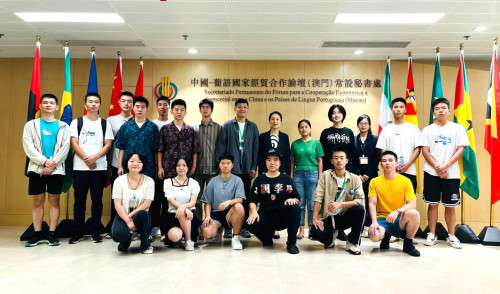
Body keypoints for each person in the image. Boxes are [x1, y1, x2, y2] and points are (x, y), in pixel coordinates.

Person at [22, 93, 71, 247]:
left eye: (51, 103)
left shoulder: (64, 126)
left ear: (57, 107)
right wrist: (44, 162)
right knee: (38, 201)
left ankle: (51, 233)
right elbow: (28, 146)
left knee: (53, 200)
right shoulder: (31, 125)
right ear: (40, 106)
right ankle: (37, 234)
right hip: (37, 169)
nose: (48, 105)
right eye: (45, 102)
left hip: (56, 170)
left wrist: (51, 165)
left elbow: (65, 148)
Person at [421, 98, 469, 249]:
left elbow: (461, 149)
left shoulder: (458, 128)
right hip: (431, 172)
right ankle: (432, 234)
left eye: (444, 108)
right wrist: (437, 167)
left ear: (449, 111)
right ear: (433, 112)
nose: (440, 110)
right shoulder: (428, 130)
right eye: (437, 108)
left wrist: (446, 166)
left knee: (450, 205)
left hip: (452, 173)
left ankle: (451, 235)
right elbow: (425, 151)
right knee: (433, 204)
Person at [69, 92, 114, 244]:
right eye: (90, 101)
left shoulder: (105, 123)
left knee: (97, 200)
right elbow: (74, 143)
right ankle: (77, 233)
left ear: (100, 105)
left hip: (99, 168)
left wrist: (94, 158)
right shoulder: (77, 122)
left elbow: (108, 144)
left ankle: (95, 232)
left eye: (96, 102)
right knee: (79, 201)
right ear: (85, 104)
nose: (93, 104)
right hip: (80, 168)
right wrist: (86, 159)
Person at [216, 98, 259, 239]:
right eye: (239, 107)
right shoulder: (228, 125)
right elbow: (221, 146)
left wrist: (254, 166)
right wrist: (222, 165)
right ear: (235, 109)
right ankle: (228, 228)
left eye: (245, 107)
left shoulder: (253, 126)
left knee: (244, 198)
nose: (242, 109)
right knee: (228, 197)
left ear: (247, 109)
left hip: (246, 168)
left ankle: (245, 227)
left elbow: (255, 148)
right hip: (231, 169)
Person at [310, 147, 365, 255]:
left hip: (344, 215)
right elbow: (318, 197)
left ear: (346, 161)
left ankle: (352, 242)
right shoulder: (326, 175)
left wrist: (340, 204)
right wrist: (315, 218)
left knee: (360, 210)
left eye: (341, 158)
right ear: (331, 161)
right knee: (315, 232)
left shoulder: (355, 179)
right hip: (328, 217)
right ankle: (331, 236)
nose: (339, 160)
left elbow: (360, 200)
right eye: (336, 158)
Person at [247, 149, 301, 254]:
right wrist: (253, 211)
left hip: (282, 216)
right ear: (265, 162)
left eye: (275, 160)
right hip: (266, 215)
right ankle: (266, 239)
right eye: (269, 159)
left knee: (295, 208)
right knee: (249, 223)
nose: (272, 163)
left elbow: (297, 198)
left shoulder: (286, 179)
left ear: (280, 162)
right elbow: (252, 199)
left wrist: (292, 200)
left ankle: (291, 243)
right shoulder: (259, 179)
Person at [368, 151, 421, 257]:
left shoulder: (406, 181)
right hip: (382, 219)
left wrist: (397, 211)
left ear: (396, 163)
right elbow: (372, 204)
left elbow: (412, 204)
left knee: (414, 213)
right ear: (381, 164)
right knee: (374, 236)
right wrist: (374, 222)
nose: (387, 163)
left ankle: (408, 243)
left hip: (399, 219)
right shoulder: (374, 182)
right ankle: (385, 236)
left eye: (390, 160)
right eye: (384, 161)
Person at [111, 153, 154, 254]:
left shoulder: (149, 181)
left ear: (143, 165)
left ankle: (145, 243)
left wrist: (130, 216)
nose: (135, 164)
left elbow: (147, 204)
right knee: (118, 235)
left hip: (140, 214)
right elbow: (117, 204)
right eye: (132, 161)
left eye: (139, 162)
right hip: (123, 213)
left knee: (143, 214)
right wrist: (127, 220)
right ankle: (126, 240)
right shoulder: (119, 181)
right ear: (127, 163)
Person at [201, 153, 246, 250]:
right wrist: (207, 216)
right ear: (219, 165)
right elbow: (207, 201)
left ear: (232, 165)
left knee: (238, 206)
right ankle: (218, 229)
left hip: (230, 214)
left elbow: (240, 199)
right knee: (207, 233)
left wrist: (228, 202)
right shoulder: (213, 181)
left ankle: (235, 238)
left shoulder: (237, 180)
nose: (225, 165)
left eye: (228, 163)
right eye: (223, 163)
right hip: (216, 213)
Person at [376, 97, 421, 192]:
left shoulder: (413, 128)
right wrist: (392, 165)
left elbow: (418, 148)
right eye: (396, 107)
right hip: (391, 172)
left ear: (406, 110)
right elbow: (383, 150)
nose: (398, 109)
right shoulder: (386, 129)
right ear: (392, 110)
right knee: (391, 201)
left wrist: (408, 164)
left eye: (401, 107)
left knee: (409, 202)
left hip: (410, 170)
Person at [258, 111, 291, 240]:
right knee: (267, 199)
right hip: (266, 173)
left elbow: (287, 156)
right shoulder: (263, 136)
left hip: (281, 173)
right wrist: (261, 171)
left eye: (278, 119)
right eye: (273, 119)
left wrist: (288, 174)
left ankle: (276, 229)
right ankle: (269, 227)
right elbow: (260, 156)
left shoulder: (285, 137)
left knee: (279, 199)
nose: (275, 121)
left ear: (281, 121)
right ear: (269, 121)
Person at [105, 91, 134, 237]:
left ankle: (131, 225)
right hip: (116, 164)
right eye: (124, 101)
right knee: (117, 196)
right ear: (118, 102)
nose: (126, 104)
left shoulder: (137, 120)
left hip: (134, 166)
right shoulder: (111, 121)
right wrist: (109, 165)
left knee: (132, 196)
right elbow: (108, 144)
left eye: (129, 101)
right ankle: (114, 226)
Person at [290, 119, 324, 239]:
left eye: (306, 127)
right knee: (300, 203)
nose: (303, 129)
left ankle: (311, 229)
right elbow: (292, 161)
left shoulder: (316, 143)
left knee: (311, 203)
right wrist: (291, 176)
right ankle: (301, 230)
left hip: (313, 174)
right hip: (298, 175)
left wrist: (320, 177)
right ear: (299, 129)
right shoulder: (294, 143)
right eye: (301, 127)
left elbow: (320, 160)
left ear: (310, 128)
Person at [193, 99, 221, 224]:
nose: (205, 109)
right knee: (197, 200)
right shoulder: (193, 128)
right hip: (197, 170)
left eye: (208, 107)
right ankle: (198, 225)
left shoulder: (219, 128)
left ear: (212, 110)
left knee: (213, 199)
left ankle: (213, 225)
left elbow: (221, 148)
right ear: (200, 110)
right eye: (203, 107)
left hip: (213, 170)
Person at [351, 114, 380, 236]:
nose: (363, 125)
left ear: (369, 125)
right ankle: (359, 225)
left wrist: (367, 174)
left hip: (371, 175)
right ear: (358, 125)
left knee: (370, 199)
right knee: (358, 199)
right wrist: (358, 175)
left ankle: (369, 225)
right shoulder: (353, 140)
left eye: (366, 123)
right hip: (357, 177)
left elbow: (376, 158)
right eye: (361, 123)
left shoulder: (375, 139)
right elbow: (350, 159)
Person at [164, 156, 200, 251]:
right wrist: (184, 208)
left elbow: (193, 201)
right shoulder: (168, 182)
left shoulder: (193, 183)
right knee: (174, 236)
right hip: (173, 216)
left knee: (184, 213)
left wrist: (184, 207)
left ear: (188, 167)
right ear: (175, 167)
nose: (181, 168)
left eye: (184, 165)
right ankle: (180, 236)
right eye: (178, 165)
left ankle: (188, 241)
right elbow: (171, 200)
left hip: (190, 216)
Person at [158, 99, 200, 179]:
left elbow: (195, 151)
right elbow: (160, 150)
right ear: (171, 111)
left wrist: (194, 167)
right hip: (168, 168)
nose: (179, 112)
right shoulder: (165, 129)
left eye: (182, 110)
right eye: (176, 110)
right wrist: (160, 167)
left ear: (185, 112)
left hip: (186, 169)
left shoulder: (191, 130)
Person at [150, 95, 173, 241]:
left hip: (171, 169)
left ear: (169, 107)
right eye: (160, 104)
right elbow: (155, 148)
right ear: (157, 106)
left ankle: (165, 229)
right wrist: (158, 166)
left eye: (166, 104)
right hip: (154, 168)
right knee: (154, 199)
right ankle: (153, 228)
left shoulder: (174, 123)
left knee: (167, 200)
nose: (163, 107)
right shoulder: (152, 125)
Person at [320, 104, 355, 172]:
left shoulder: (349, 132)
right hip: (328, 167)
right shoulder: (325, 132)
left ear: (343, 114)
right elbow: (322, 153)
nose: (336, 115)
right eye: (334, 113)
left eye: (339, 112)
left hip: (345, 168)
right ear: (330, 115)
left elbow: (351, 152)